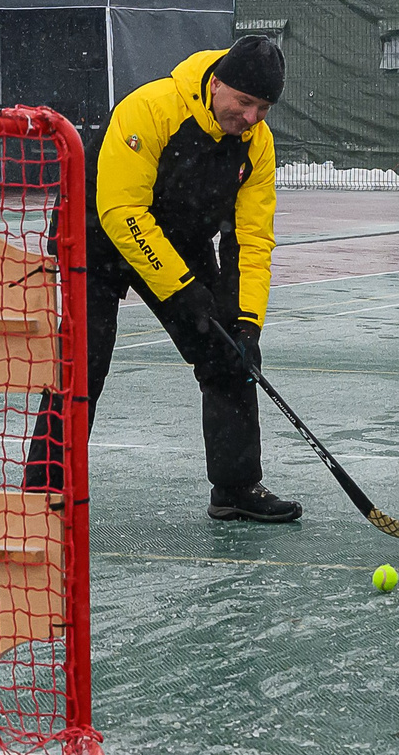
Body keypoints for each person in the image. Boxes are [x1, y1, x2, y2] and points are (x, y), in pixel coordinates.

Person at [23, 35, 298, 523]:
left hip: (179, 237)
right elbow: (122, 210)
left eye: (264, 108)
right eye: (244, 102)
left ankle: (235, 487)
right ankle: (43, 489)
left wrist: (248, 322)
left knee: (226, 354)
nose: (252, 118)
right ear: (216, 85)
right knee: (84, 360)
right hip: (94, 233)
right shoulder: (149, 109)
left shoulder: (257, 146)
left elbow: (252, 241)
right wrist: (182, 289)